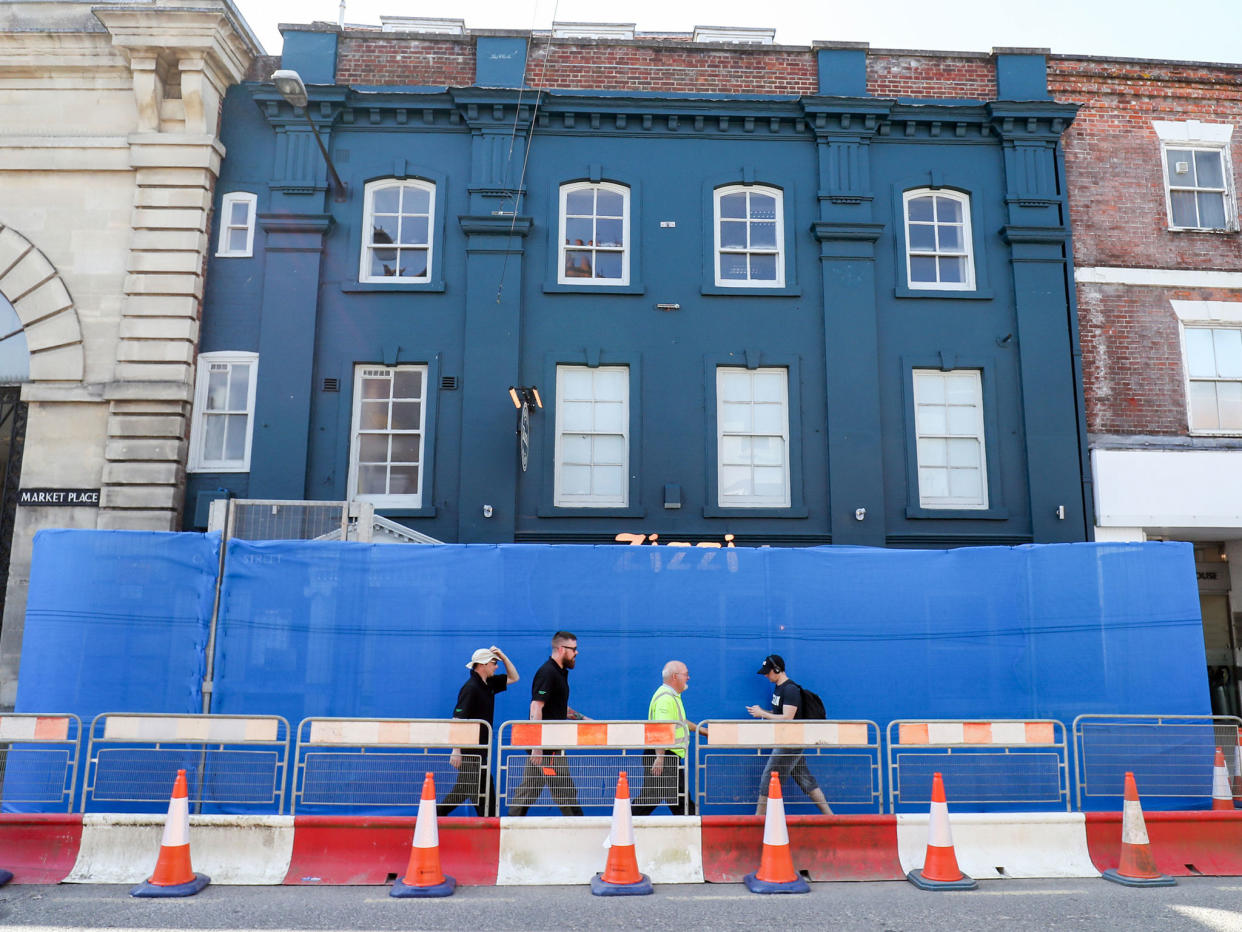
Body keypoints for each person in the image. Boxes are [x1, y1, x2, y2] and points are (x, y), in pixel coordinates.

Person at [506, 631, 586, 816]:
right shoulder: (548, 672)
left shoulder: (559, 673)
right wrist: (537, 746)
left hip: (548, 747)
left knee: (530, 790)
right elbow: (536, 707)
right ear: (561, 649)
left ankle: (511, 826)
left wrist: (585, 720)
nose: (577, 653)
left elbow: (559, 708)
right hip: (547, 748)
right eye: (574, 649)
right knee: (564, 791)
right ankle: (579, 828)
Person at [746, 654, 833, 815]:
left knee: (768, 776)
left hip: (791, 742)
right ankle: (830, 816)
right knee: (804, 778)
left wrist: (762, 713)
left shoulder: (790, 689)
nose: (766, 675)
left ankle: (757, 819)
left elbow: (787, 718)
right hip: (788, 740)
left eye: (768, 672)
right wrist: (763, 713)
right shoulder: (779, 688)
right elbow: (780, 712)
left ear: (777, 669)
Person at [438, 646, 520, 817]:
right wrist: (456, 750)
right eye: (494, 663)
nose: (496, 666)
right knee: (465, 791)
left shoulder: (488, 684)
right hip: (470, 751)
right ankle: (432, 816)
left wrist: (503, 656)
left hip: (480, 752)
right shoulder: (471, 688)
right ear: (482, 665)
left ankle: (488, 825)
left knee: (483, 795)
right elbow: (457, 720)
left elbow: (514, 677)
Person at [633, 660, 707, 816]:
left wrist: (703, 731)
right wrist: (660, 758)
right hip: (664, 756)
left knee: (657, 799)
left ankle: (622, 827)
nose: (688, 678)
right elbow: (661, 728)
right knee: (679, 802)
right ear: (675, 676)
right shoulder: (666, 699)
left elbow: (680, 722)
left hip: (665, 756)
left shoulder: (671, 696)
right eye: (686, 674)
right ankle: (692, 833)